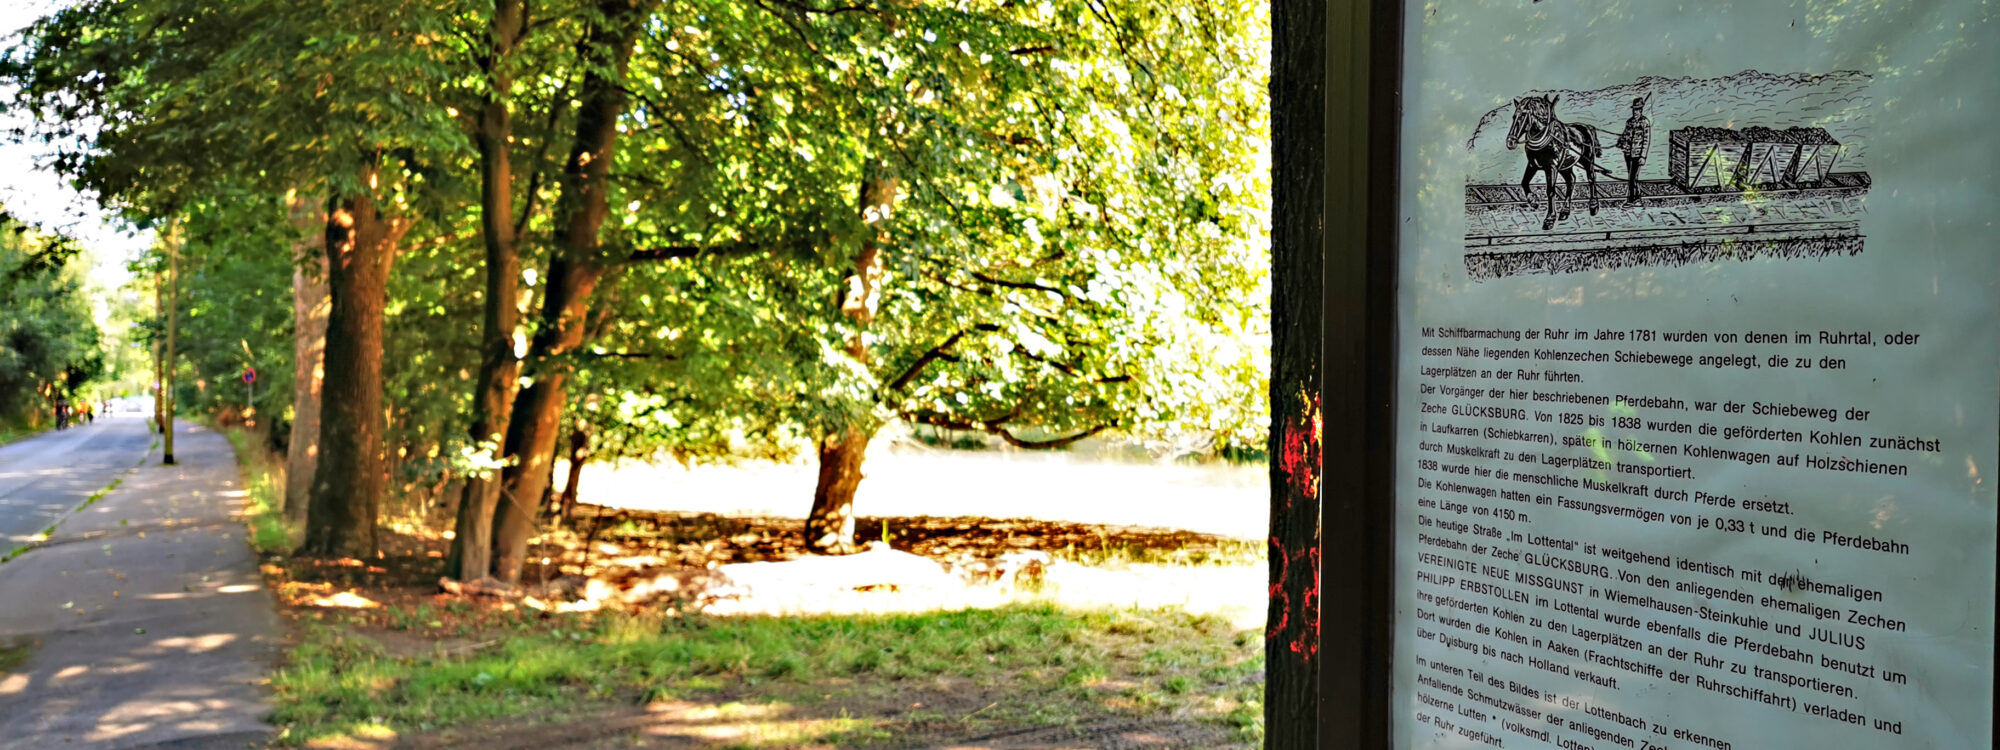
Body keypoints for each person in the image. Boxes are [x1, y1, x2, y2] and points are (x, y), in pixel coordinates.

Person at [1616, 95, 1651, 206]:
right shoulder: (1629, 122)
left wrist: (1643, 156)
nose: (1635, 112)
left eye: (1637, 110)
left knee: (1632, 177)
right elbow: (1625, 135)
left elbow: (1646, 140)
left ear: (1641, 110)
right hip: (1628, 153)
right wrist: (1620, 142)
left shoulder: (1645, 122)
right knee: (1632, 177)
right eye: (1634, 110)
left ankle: (1631, 200)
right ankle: (1637, 198)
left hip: (1637, 154)